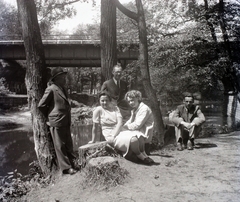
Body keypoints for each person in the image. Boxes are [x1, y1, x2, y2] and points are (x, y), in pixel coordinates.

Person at [89, 91, 154, 165]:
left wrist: (121, 130)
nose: (104, 102)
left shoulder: (115, 108)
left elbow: (120, 123)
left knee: (140, 136)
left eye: (106, 100)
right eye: (102, 101)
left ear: (110, 100)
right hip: (110, 133)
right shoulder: (98, 110)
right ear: (99, 101)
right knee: (134, 140)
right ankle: (142, 157)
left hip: (120, 130)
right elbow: (95, 127)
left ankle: (144, 155)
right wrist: (93, 140)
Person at [38, 67, 77, 175]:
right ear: (56, 78)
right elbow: (41, 105)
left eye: (64, 77)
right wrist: (50, 116)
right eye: (62, 77)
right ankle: (66, 168)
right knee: (59, 146)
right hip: (56, 121)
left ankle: (73, 163)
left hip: (66, 120)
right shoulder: (51, 89)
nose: (65, 79)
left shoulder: (63, 88)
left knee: (68, 143)